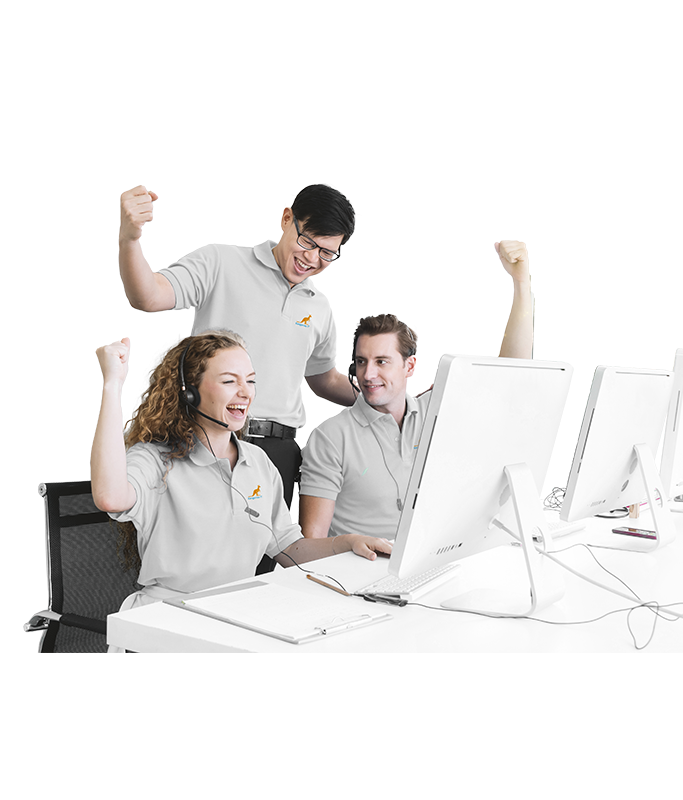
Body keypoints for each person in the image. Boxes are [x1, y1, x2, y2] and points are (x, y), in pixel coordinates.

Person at [117, 183, 359, 540]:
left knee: (264, 561)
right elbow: (147, 296)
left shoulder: (319, 308)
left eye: (327, 252)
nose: (312, 258)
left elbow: (324, 380)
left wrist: (389, 397)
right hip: (208, 438)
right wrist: (130, 239)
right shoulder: (221, 261)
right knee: (197, 550)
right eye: (307, 241)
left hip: (279, 451)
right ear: (286, 218)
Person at [91, 331, 392, 612]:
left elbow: (290, 549)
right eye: (229, 381)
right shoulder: (155, 459)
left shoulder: (258, 462)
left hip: (235, 614)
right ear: (189, 392)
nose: (245, 392)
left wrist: (347, 543)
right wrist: (112, 385)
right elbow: (110, 498)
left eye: (250, 381)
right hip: (167, 617)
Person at [299, 241, 534, 541]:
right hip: (363, 575)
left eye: (382, 362)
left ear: (410, 367)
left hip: (436, 564)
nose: (368, 375)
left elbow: (513, 381)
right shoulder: (329, 438)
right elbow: (312, 547)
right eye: (361, 362)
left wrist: (521, 283)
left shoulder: (437, 411)